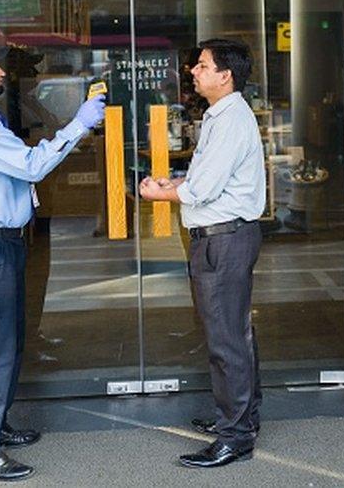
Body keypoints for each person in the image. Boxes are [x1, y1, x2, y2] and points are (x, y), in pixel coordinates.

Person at [0, 37, 106, 481]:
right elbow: (31, 166)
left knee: (7, 345)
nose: (0, 75)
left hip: (1, 243)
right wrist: (79, 125)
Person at [139, 38, 265, 469]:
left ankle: (236, 436)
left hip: (224, 239)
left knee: (226, 339)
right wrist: (176, 184)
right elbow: (205, 180)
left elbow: (203, 189)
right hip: (226, 236)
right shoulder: (221, 115)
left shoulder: (230, 120)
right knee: (235, 332)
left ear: (225, 75)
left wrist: (160, 191)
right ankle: (241, 418)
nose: (194, 71)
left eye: (202, 65)